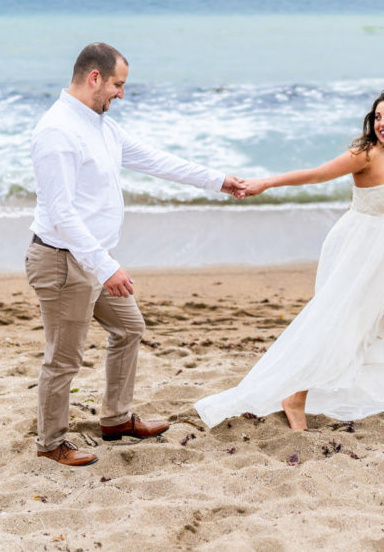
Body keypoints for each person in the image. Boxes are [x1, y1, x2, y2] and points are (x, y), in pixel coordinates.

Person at [27, 42, 244, 466]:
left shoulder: (101, 126)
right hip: (63, 261)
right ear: (94, 78)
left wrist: (217, 181)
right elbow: (61, 213)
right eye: (117, 85)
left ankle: (115, 420)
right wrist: (106, 267)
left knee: (129, 328)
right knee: (64, 358)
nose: (121, 94)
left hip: (91, 259)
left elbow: (154, 159)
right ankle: (51, 443)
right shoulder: (56, 131)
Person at [195, 91, 384, 431]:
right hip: (361, 248)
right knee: (343, 322)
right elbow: (315, 174)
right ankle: (295, 396)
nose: (382, 123)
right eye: (378, 117)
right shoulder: (365, 154)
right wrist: (266, 182)